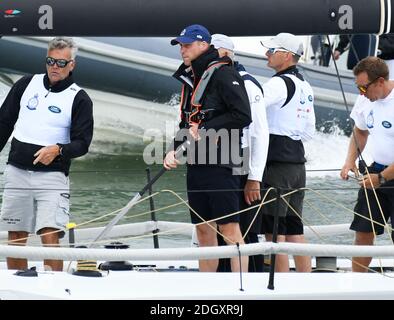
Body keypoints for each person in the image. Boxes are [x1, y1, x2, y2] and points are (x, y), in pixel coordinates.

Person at [0, 37, 94, 271]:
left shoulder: (79, 98)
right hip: (17, 172)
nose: (55, 66)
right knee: (16, 236)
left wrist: (59, 150)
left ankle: (53, 288)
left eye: (61, 63)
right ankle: (17, 287)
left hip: (52, 176)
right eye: (50, 61)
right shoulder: (25, 84)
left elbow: (82, 143)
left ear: (72, 65)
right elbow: (4, 123)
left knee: (49, 237)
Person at [163, 24, 251, 272]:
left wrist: (206, 129)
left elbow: (243, 115)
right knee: (203, 229)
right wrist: (172, 150)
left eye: (187, 45)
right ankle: (208, 288)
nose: (182, 49)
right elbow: (187, 122)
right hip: (197, 162)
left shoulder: (224, 74)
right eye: (180, 45)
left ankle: (240, 290)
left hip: (223, 162)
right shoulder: (191, 77)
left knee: (229, 229)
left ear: (204, 45)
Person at [211, 34, 269, 272]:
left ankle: (249, 281)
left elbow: (259, 132)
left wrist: (255, 177)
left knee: (242, 228)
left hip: (239, 160)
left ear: (224, 54)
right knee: (216, 226)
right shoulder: (210, 80)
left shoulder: (246, 82)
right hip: (216, 159)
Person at [260, 33, 315, 272]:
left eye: (271, 50)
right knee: (294, 229)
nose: (267, 54)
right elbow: (309, 130)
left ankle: (281, 287)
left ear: (286, 55)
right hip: (297, 163)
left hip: (277, 163)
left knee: (275, 233)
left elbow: (250, 108)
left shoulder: (277, 83)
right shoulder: (306, 86)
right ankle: (305, 282)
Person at [340, 56, 394, 272]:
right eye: (358, 88)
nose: (361, 93)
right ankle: (357, 284)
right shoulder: (365, 100)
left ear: (380, 81)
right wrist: (349, 160)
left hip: (385, 176)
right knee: (363, 231)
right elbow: (360, 131)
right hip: (375, 172)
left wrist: (381, 178)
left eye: (364, 88)